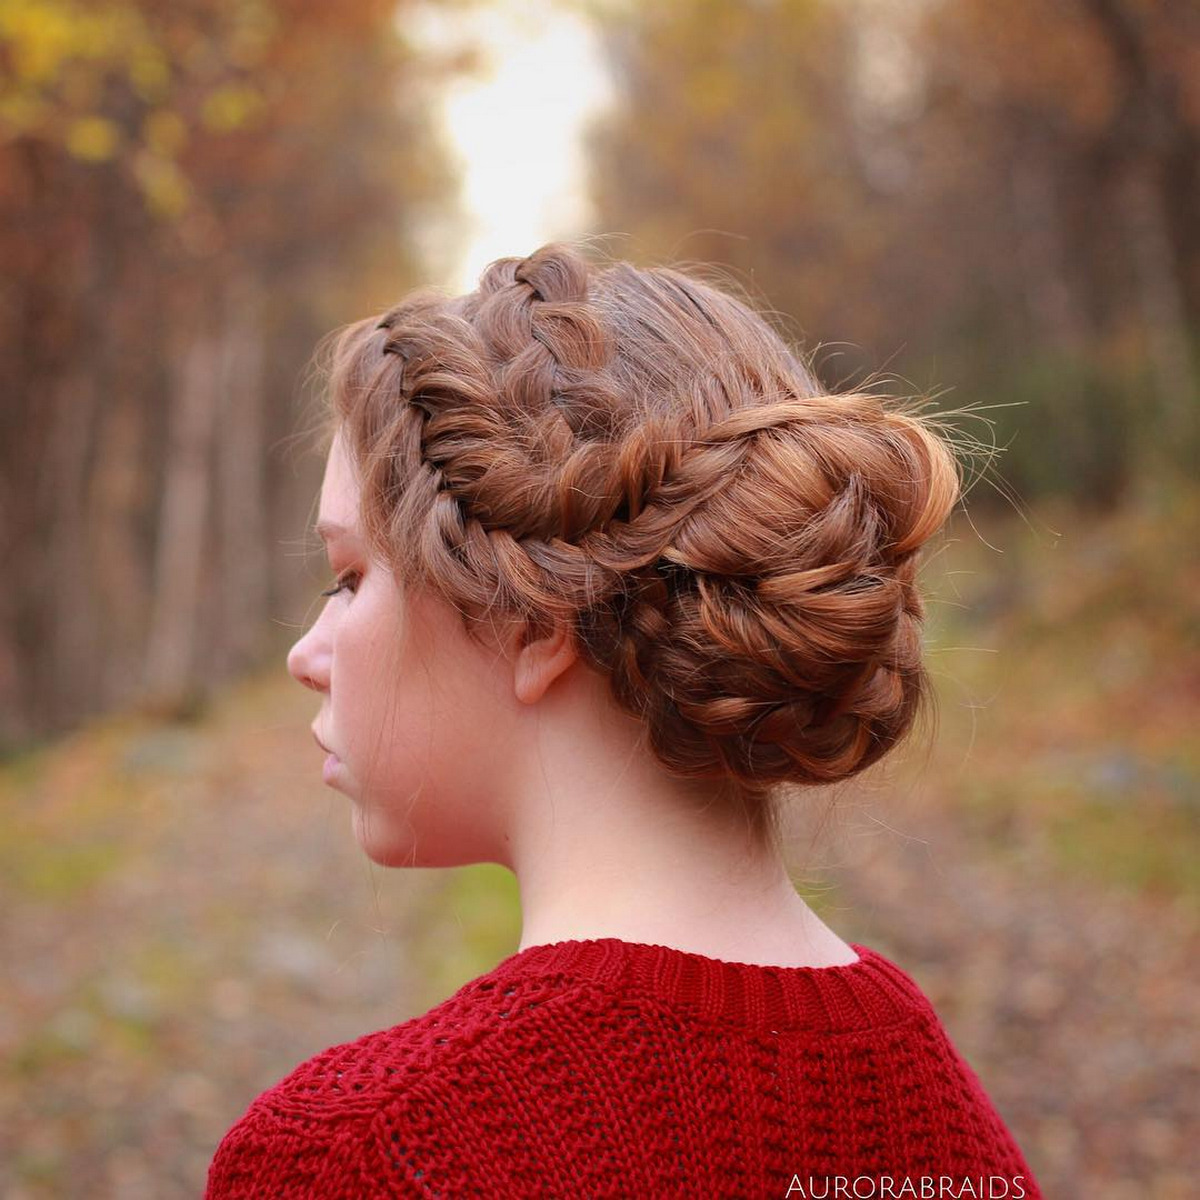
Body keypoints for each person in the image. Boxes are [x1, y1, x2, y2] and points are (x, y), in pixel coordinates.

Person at [205, 241, 1042, 1198]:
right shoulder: (929, 1106)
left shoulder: (360, 1156)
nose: (305, 655)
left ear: (531, 620)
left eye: (352, 578)